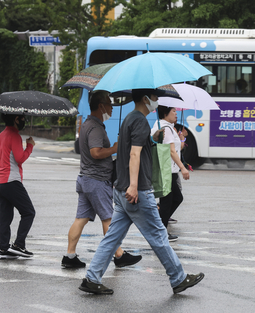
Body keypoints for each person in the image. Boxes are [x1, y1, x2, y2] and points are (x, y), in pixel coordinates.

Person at [79, 89, 204, 295]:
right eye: (154, 97)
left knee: (112, 238)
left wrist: (153, 137)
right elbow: (134, 154)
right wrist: (134, 186)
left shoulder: (131, 119)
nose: (156, 101)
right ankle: (178, 277)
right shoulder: (139, 121)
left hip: (122, 189)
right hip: (136, 191)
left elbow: (134, 146)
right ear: (146, 99)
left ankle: (92, 278)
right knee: (158, 235)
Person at [62, 91, 142, 268]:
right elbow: (95, 152)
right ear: (101, 106)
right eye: (109, 103)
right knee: (108, 219)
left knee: (80, 219)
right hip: (96, 181)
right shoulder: (95, 127)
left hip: (86, 179)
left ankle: (69, 256)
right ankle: (119, 256)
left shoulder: (87, 124)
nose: (112, 107)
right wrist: (114, 148)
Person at [0, 114, 36, 259]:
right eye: (22, 118)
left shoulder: (1, 135)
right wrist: (30, 146)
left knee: (4, 218)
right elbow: (20, 158)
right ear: (16, 119)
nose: (24, 120)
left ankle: (3, 248)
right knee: (29, 212)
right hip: (11, 182)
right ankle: (19, 245)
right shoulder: (14, 135)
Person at [150, 106, 190, 241]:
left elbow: (177, 148)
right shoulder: (166, 128)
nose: (176, 114)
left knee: (172, 200)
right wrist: (183, 168)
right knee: (170, 201)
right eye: (173, 111)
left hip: (168, 169)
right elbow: (171, 151)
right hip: (167, 170)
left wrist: (181, 138)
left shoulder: (166, 126)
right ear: (165, 113)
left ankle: (159, 229)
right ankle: (160, 232)